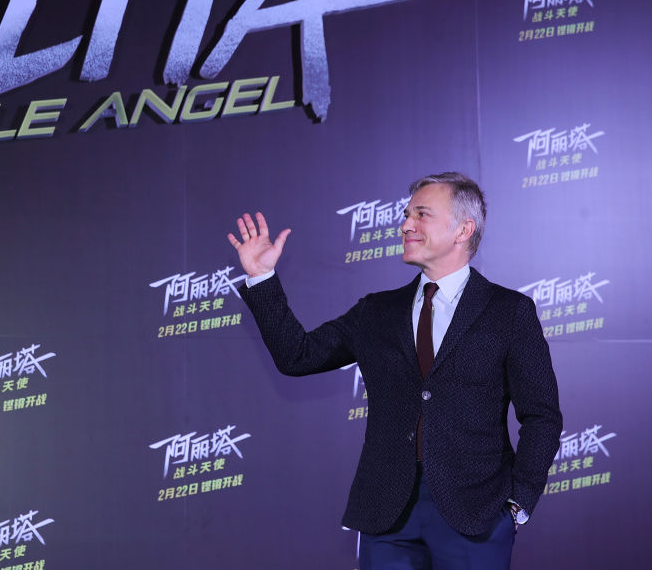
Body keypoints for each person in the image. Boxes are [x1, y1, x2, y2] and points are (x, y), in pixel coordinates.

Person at [227, 172, 561, 569]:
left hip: (476, 513)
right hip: (386, 513)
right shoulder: (376, 311)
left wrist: (519, 501)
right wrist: (261, 276)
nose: (405, 225)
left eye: (421, 214)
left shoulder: (509, 311)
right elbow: (297, 356)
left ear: (463, 229)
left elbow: (542, 415)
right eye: (406, 215)